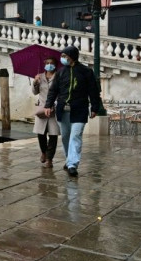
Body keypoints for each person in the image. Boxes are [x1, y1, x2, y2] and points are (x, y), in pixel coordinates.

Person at [44, 45, 101, 177]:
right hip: (63, 110)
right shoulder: (60, 72)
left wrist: (95, 107)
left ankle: (72, 164)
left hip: (79, 109)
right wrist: (48, 105)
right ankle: (69, 158)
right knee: (65, 137)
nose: (62, 58)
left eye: (65, 56)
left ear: (72, 56)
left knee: (75, 136)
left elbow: (93, 91)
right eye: (62, 56)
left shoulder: (86, 72)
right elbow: (53, 90)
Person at [33, 57, 60, 168]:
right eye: (47, 63)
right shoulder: (40, 76)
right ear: (44, 64)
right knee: (41, 134)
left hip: (54, 109)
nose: (49, 65)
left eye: (51, 63)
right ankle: (44, 152)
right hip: (42, 108)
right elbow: (35, 92)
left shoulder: (59, 76)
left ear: (55, 65)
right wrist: (35, 83)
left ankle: (50, 159)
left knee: (53, 135)